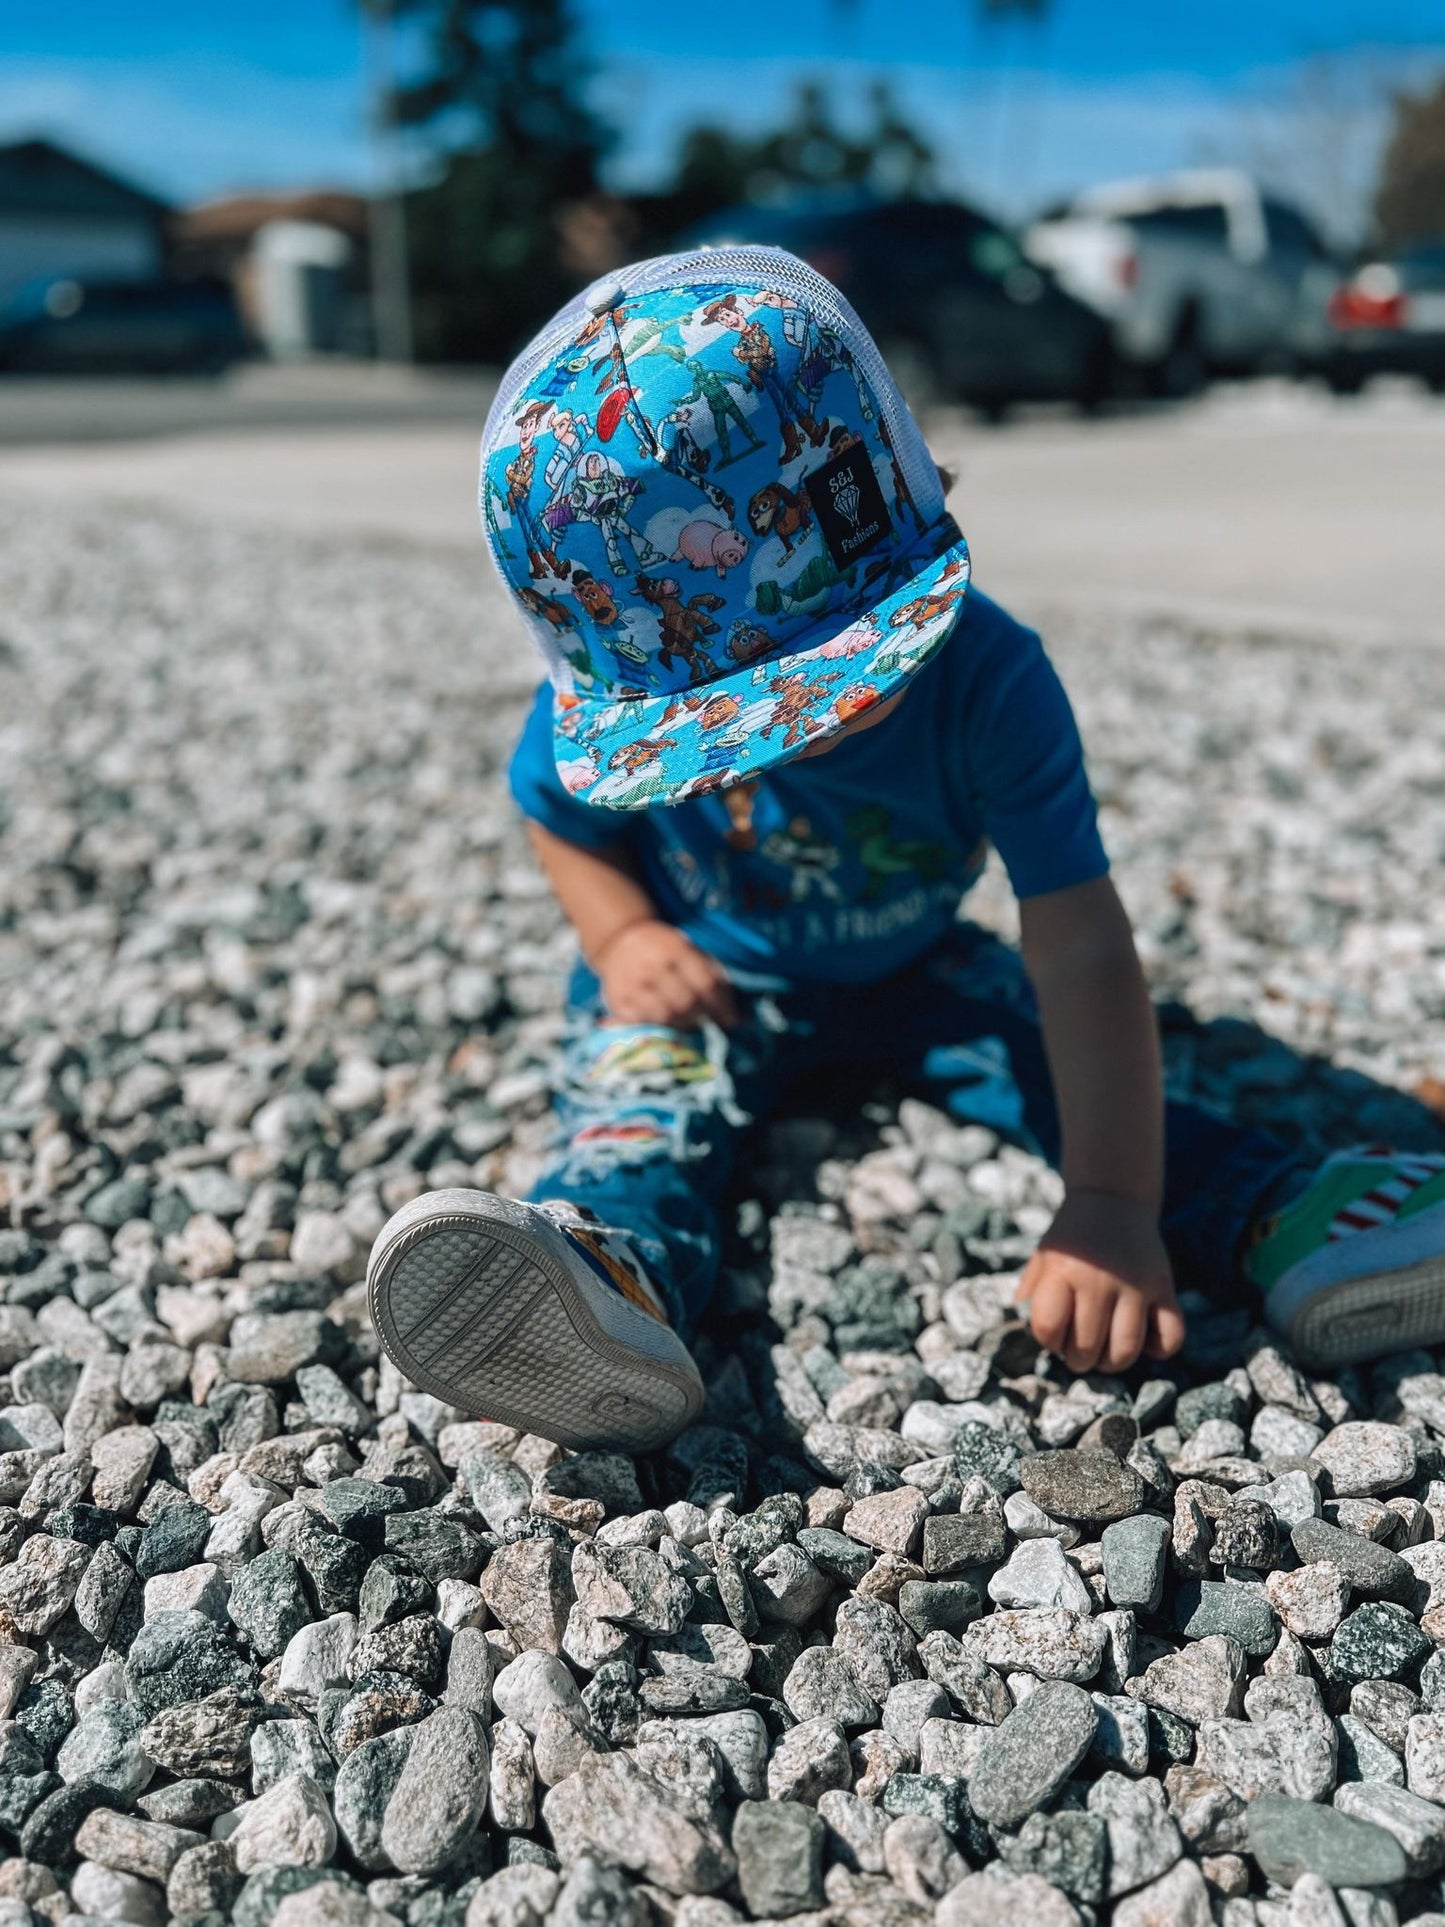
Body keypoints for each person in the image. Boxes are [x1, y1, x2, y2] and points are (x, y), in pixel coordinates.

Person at [366, 247, 1445, 1453]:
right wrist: (624, 936)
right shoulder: (612, 682)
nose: (799, 731)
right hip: (715, 973)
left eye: (832, 680)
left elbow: (1079, 945)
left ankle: (1281, 1208)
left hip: (920, 964)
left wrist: (1106, 1203)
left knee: (1068, 1064)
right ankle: (611, 1277)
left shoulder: (989, 680)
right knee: (640, 1106)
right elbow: (556, 812)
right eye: (730, 727)